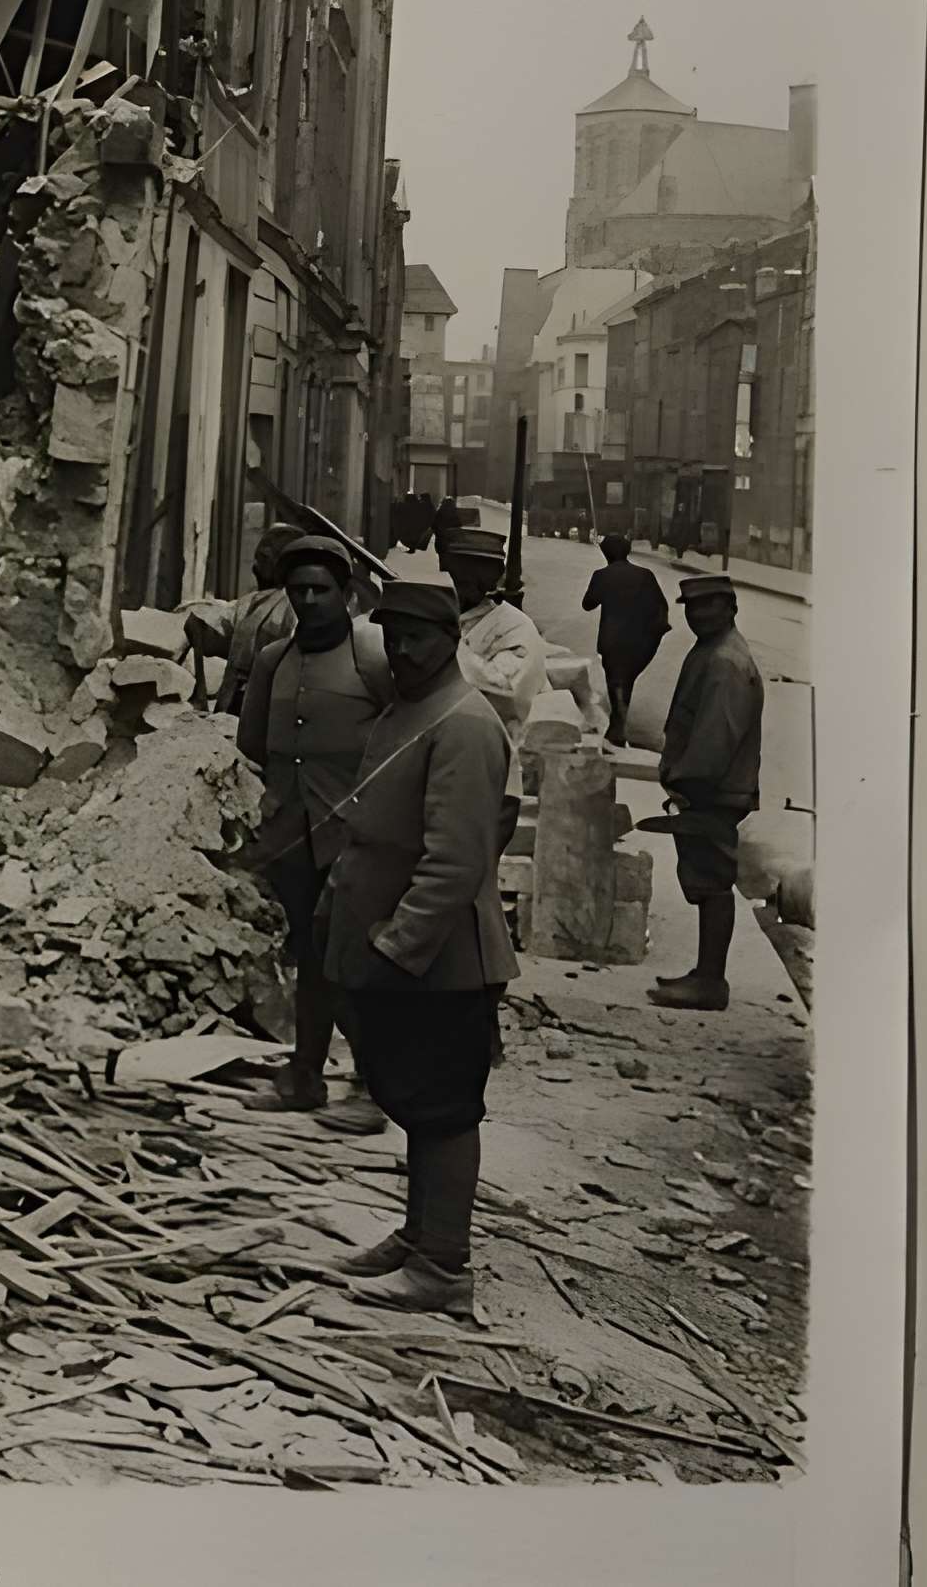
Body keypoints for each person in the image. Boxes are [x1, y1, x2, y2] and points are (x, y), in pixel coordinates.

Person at [319, 576, 520, 1315]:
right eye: (393, 636)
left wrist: (397, 947)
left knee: (442, 1108)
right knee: (414, 1099)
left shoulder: (464, 723)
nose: (402, 650)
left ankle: (443, 1265)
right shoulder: (411, 708)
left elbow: (455, 864)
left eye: (418, 638)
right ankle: (419, 1235)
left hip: (442, 959)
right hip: (404, 948)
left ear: (450, 640)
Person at [235, 536, 394, 1134]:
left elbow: (405, 739)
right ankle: (305, 1076)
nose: (307, 600)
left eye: (319, 590)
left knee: (358, 962)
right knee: (309, 957)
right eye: (297, 590)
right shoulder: (273, 660)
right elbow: (252, 742)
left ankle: (375, 1088)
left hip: (358, 837)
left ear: (347, 593)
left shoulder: (373, 657)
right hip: (292, 836)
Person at [645, 573, 764, 1011]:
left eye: (709, 606)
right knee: (705, 879)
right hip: (711, 789)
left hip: (712, 792)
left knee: (712, 882)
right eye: (692, 608)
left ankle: (711, 982)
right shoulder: (713, 650)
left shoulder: (725, 661)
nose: (698, 615)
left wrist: (685, 784)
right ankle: (706, 973)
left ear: (731, 608)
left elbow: (715, 739)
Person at [437, 519, 547, 734]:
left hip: (501, 734)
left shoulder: (515, 627)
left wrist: (447, 645)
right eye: (451, 577)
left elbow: (506, 691)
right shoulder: (448, 616)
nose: (452, 588)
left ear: (486, 581)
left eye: (463, 581)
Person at [580, 534, 673, 747]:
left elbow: (588, 604)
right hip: (641, 640)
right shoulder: (645, 575)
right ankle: (618, 723)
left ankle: (618, 726)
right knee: (625, 680)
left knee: (616, 681)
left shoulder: (602, 575)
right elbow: (661, 605)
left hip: (613, 640)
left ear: (606, 553)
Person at [216, 524, 310, 714]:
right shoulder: (250, 602)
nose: (254, 567)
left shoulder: (294, 606)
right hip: (238, 697)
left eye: (263, 558)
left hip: (270, 700)